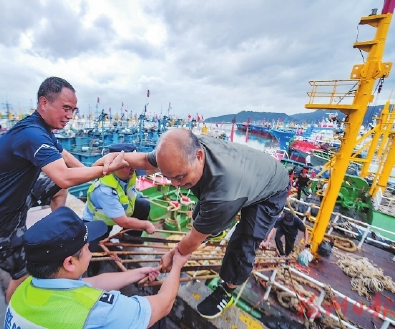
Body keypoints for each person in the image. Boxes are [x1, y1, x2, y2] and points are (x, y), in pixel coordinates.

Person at [0, 77, 128, 303]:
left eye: (73, 110)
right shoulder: (32, 134)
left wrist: (92, 171)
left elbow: (65, 156)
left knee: (57, 188)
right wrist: (104, 171)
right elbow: (63, 175)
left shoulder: (42, 129)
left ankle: (54, 225)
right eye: (66, 108)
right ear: (44, 103)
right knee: (24, 273)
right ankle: (13, 316)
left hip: (15, 196)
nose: (70, 116)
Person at [95, 128, 290, 319]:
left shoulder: (222, 196)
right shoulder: (183, 149)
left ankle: (227, 289)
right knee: (202, 214)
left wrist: (174, 254)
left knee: (244, 241)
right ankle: (215, 226)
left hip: (271, 189)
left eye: (179, 177)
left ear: (199, 155)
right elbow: (147, 160)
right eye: (169, 178)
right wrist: (116, 159)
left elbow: (189, 244)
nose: (175, 185)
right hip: (247, 179)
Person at [5, 206, 190, 328]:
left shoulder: (27, 288)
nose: (91, 252)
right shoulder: (94, 311)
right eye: (87, 248)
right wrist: (177, 265)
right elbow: (164, 305)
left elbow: (91, 283)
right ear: (69, 263)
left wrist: (137, 273)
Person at [83, 143, 155, 244]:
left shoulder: (129, 171)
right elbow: (123, 221)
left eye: (134, 164)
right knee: (96, 249)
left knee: (143, 205)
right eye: (128, 165)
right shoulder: (105, 189)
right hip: (99, 221)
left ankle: (129, 237)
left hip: (118, 211)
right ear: (115, 165)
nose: (133, 168)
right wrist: (146, 225)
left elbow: (154, 168)